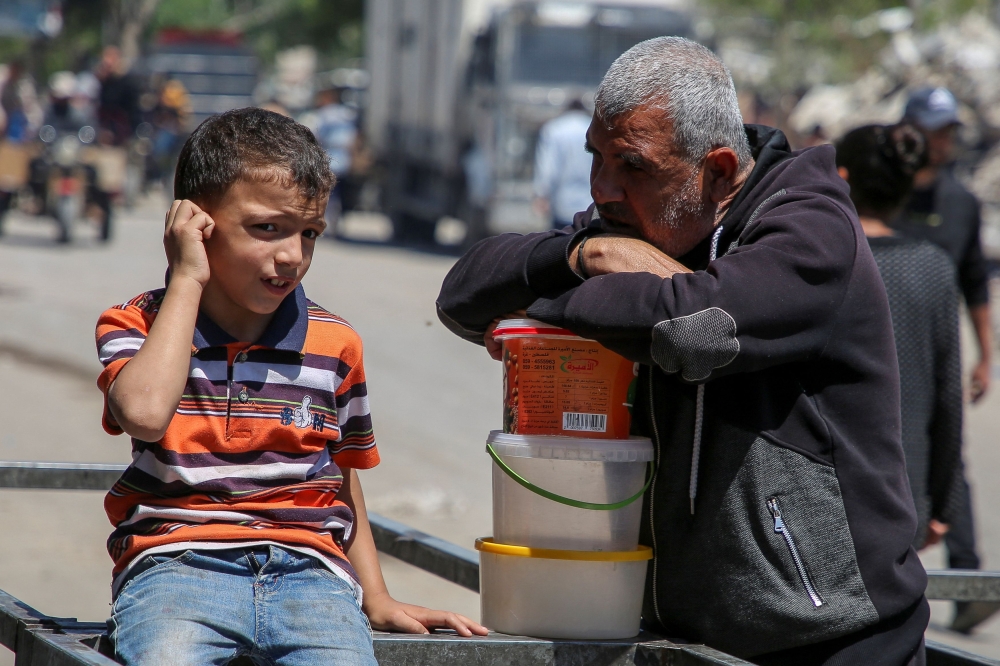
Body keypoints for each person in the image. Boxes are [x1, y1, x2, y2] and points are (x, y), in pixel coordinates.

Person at [437, 37, 926, 664]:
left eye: (632, 165)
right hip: (683, 638)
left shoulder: (812, 228)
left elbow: (690, 329)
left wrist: (546, 304)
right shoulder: (626, 225)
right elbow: (461, 298)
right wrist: (582, 255)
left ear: (719, 171)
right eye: (596, 158)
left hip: (836, 635)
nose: (604, 188)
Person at [95, 108, 485, 665]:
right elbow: (146, 413)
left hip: (312, 576)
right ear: (194, 224)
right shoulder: (137, 324)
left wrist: (375, 597)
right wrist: (187, 278)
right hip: (176, 568)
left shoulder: (335, 343)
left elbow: (340, 472)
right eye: (267, 228)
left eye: (309, 234)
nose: (293, 257)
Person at [894, 87, 997, 634]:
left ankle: (969, 580)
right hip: (881, 351)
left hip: (935, 352)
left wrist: (987, 357)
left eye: (948, 131)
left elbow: (976, 282)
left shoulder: (960, 202)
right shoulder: (881, 191)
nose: (942, 141)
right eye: (933, 130)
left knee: (950, 457)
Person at [836, 123, 964, 553]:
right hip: (903, 495)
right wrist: (943, 505)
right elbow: (948, 399)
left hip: (819, 496)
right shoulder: (933, 269)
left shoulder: (819, 260)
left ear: (840, 179)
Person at [533, 99, 594, 228]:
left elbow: (548, 167)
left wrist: (542, 194)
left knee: (561, 244)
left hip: (561, 202)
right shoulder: (592, 128)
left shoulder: (554, 129)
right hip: (590, 204)